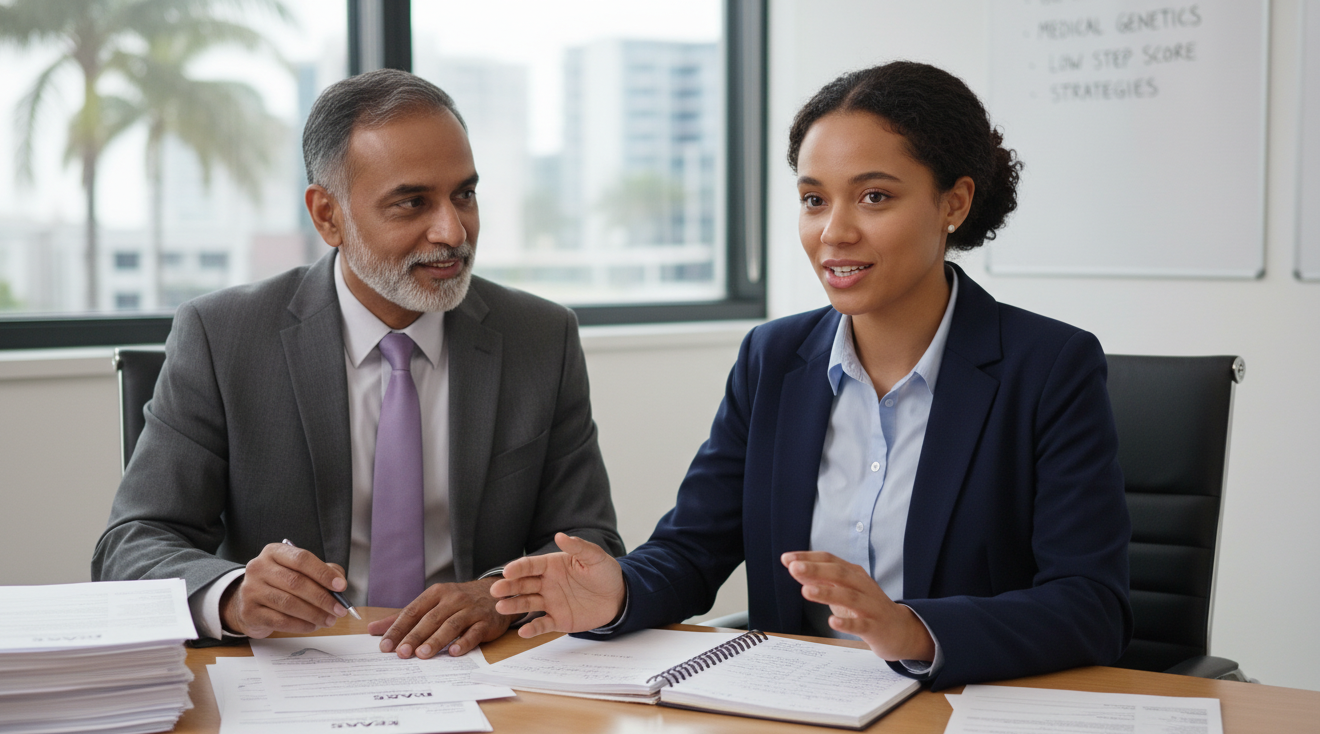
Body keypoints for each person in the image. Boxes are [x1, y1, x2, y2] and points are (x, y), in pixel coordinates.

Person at [490, 61, 1132, 691]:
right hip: (799, 716)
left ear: (953, 203)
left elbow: (1090, 607)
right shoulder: (773, 358)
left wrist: (914, 629)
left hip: (961, 717)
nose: (834, 231)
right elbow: (692, 550)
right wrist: (619, 591)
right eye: (813, 199)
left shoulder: (1049, 367)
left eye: (874, 196)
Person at [92, 69, 624, 660]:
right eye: (412, 202)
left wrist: (495, 594)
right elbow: (132, 544)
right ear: (327, 216)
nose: (452, 230)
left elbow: (590, 542)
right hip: (297, 677)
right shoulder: (223, 336)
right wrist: (235, 594)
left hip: (485, 672)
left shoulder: (541, 337)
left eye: (464, 194)